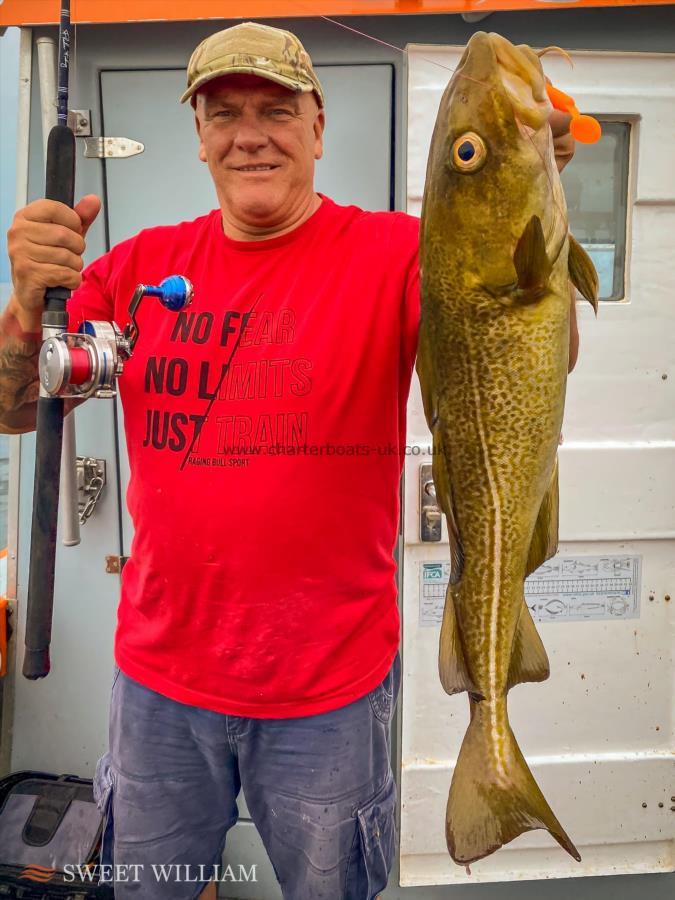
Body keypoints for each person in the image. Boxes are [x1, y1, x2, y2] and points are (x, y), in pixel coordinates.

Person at [3, 21, 579, 900]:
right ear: (197, 135)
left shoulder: (398, 257)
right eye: (224, 112)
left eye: (276, 109)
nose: (250, 134)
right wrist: (24, 308)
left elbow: (530, 347)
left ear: (317, 125)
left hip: (330, 696)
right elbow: (15, 405)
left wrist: (528, 199)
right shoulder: (138, 266)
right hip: (159, 687)